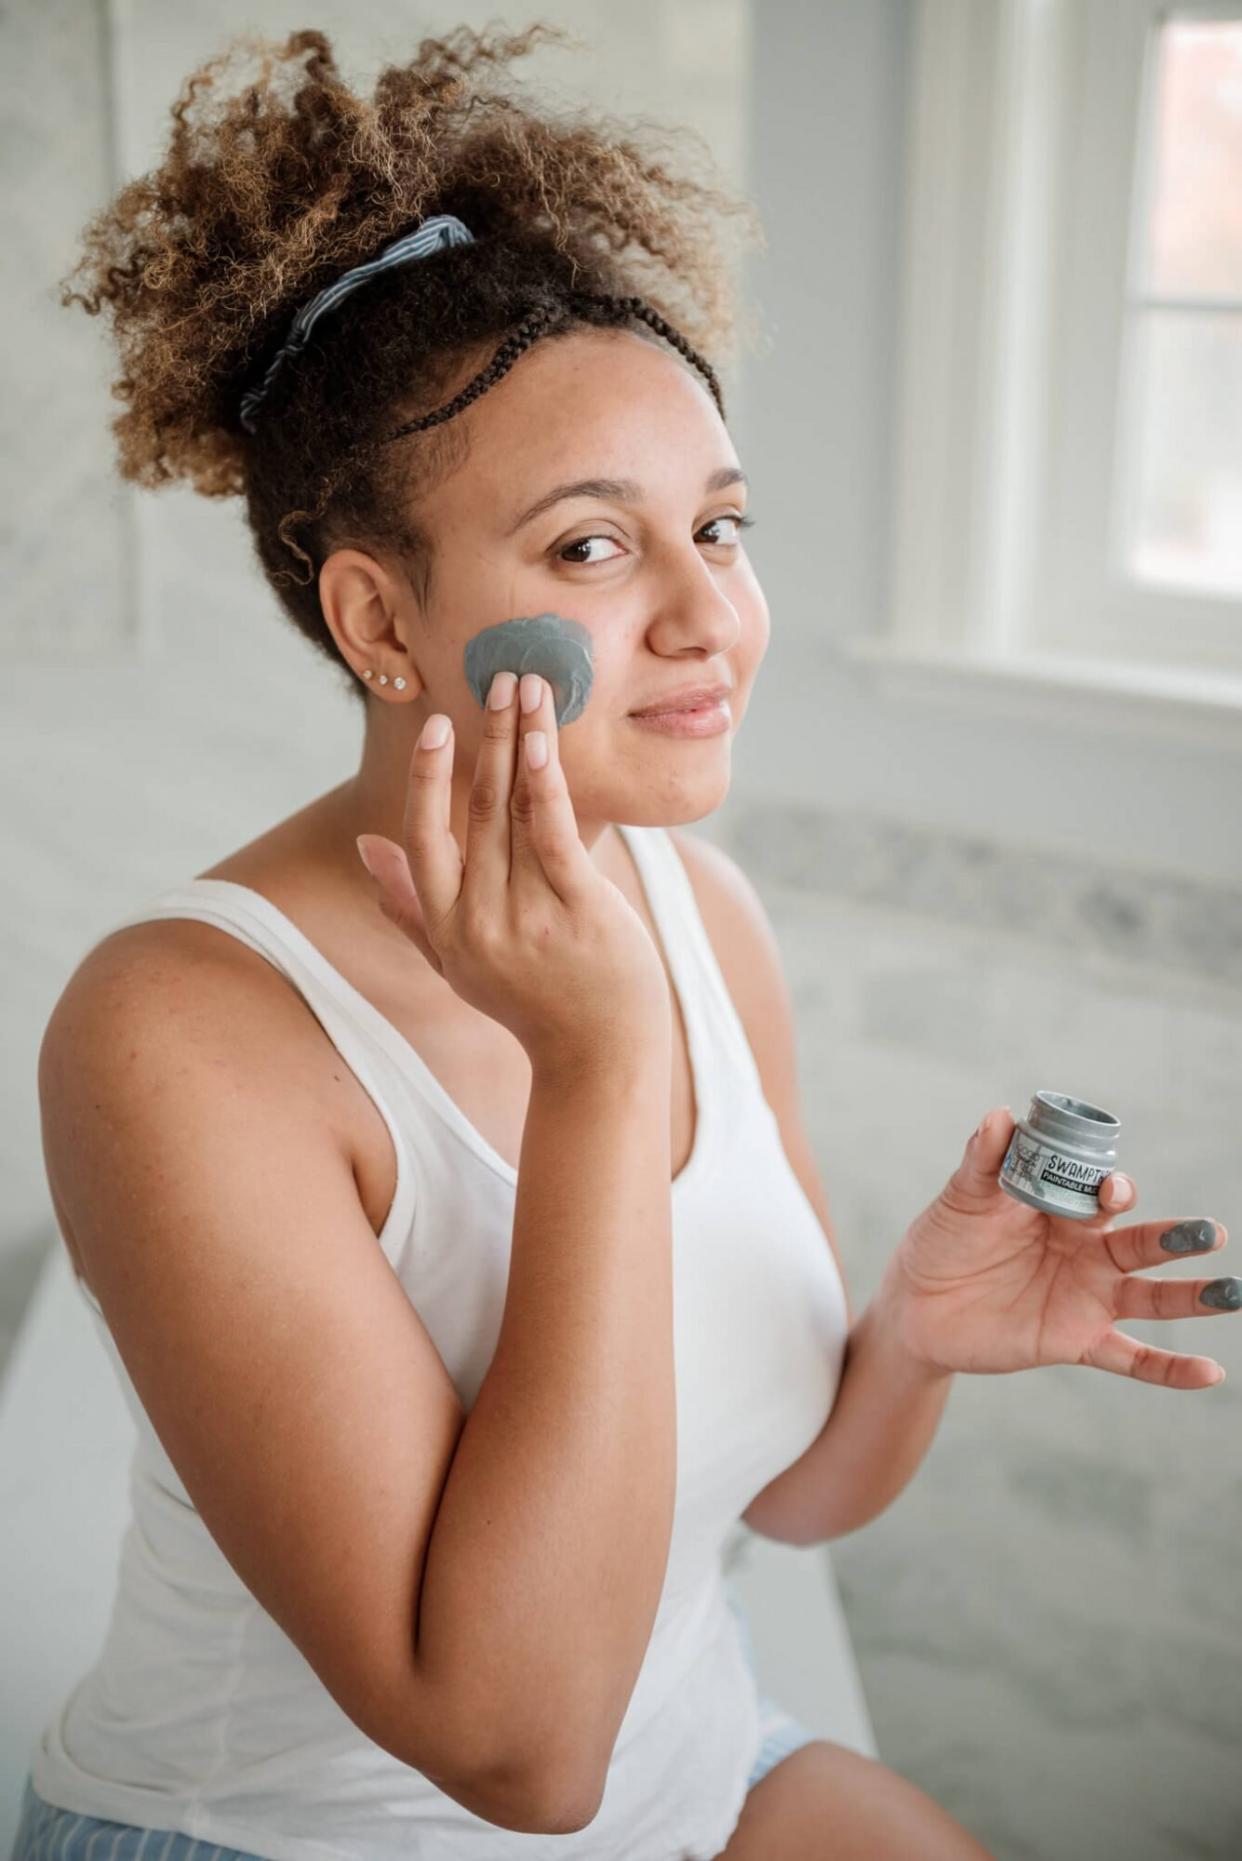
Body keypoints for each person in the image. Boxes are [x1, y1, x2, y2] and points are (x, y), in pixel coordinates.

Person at [18, 21, 1229, 1861]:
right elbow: (513, 1755)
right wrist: (595, 1072)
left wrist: (905, 1337)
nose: (708, 619)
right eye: (591, 549)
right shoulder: (180, 1028)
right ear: (379, 615)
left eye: (720, 527)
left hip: (698, 1754)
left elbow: (784, 1500)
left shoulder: (694, 908)